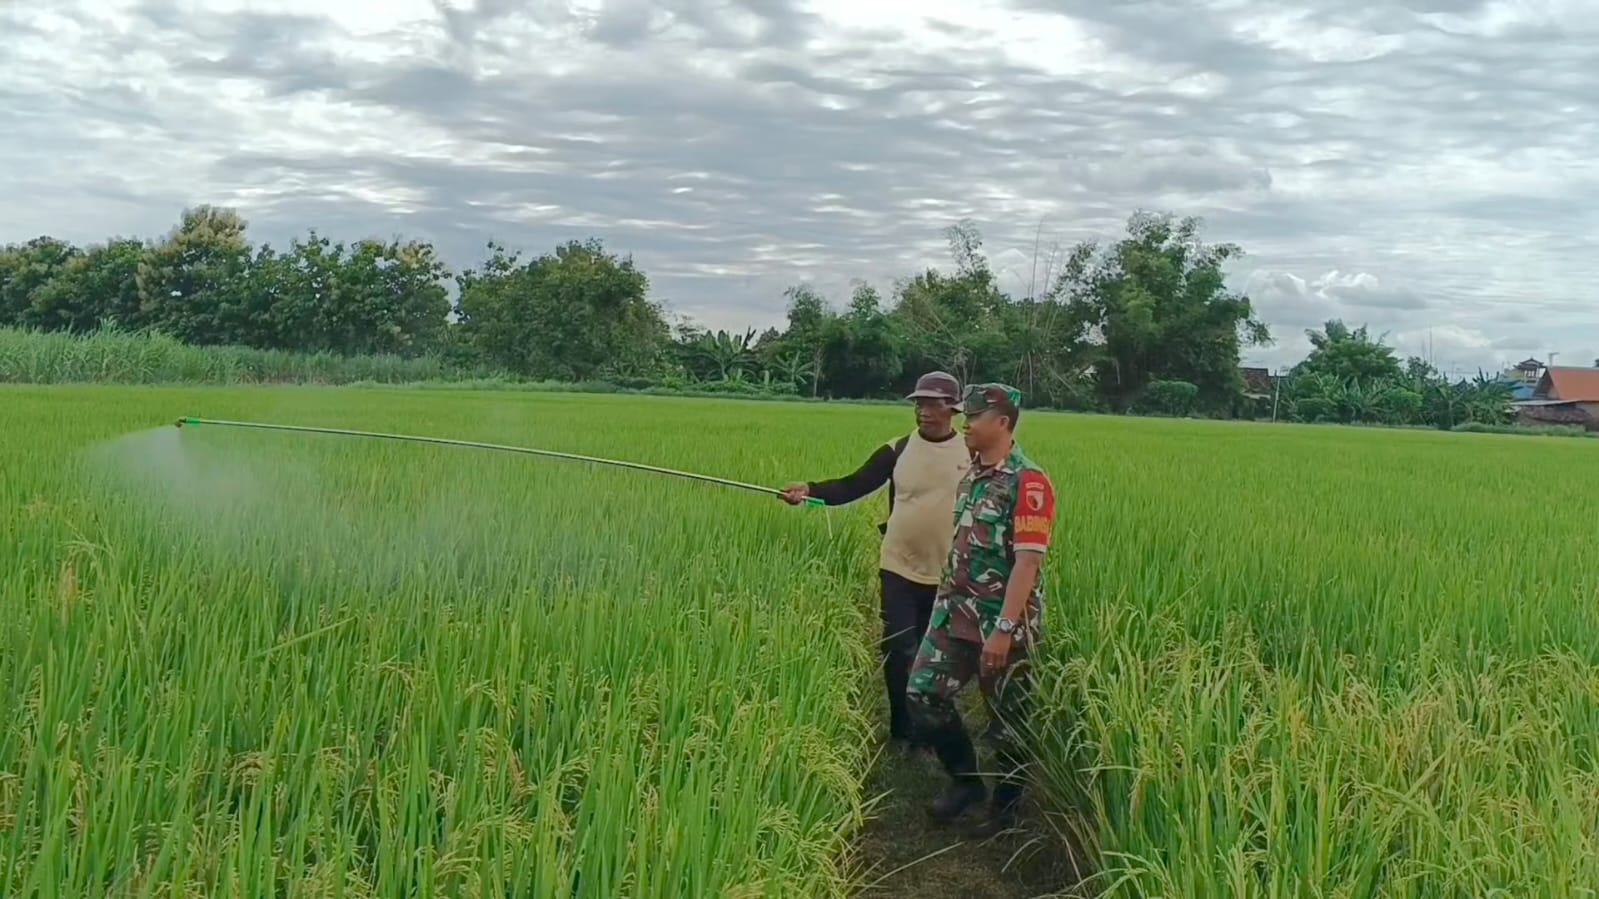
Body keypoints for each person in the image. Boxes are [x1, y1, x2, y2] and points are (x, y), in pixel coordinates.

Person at [780, 371, 973, 750]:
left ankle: (931, 727)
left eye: (932, 404)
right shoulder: (897, 450)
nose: (923, 411)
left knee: (933, 657)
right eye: (919, 403)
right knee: (899, 649)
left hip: (948, 575)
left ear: (954, 409)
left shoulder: (971, 453)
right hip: (898, 567)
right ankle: (902, 729)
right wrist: (809, 490)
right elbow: (852, 485)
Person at [906, 382, 1055, 839]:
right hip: (954, 614)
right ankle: (966, 782)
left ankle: (1005, 814)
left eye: (974, 416)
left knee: (1010, 723)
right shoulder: (972, 474)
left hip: (1003, 623)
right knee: (923, 693)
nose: (965, 423)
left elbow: (1028, 562)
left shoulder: (1028, 482)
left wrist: (1004, 629)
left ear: (1003, 423)